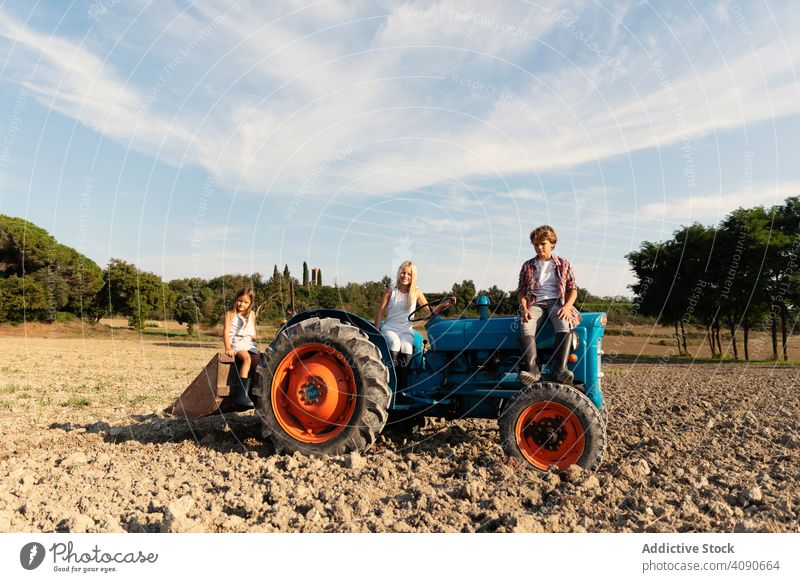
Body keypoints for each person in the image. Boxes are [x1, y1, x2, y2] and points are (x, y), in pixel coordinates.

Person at [374, 261, 455, 391]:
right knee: (395, 343)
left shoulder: (416, 292)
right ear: (399, 273)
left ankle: (400, 389)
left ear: (413, 277)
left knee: (407, 348)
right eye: (403, 272)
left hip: (406, 330)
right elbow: (380, 311)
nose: (405, 276)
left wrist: (444, 304)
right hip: (390, 328)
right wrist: (376, 330)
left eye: (409, 274)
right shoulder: (391, 291)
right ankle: (388, 385)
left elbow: (429, 311)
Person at [517, 225, 581, 385]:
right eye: (536, 244)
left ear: (552, 244)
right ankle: (533, 370)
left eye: (543, 244)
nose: (539, 247)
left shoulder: (563, 264)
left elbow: (573, 290)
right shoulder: (527, 265)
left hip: (556, 302)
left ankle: (559, 370)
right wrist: (524, 308)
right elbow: (522, 292)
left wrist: (566, 307)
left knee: (563, 324)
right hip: (535, 302)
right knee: (525, 324)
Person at [223, 287, 261, 407]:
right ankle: (241, 395)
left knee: (259, 361)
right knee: (247, 359)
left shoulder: (252, 314)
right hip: (236, 341)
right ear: (236, 299)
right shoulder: (230, 313)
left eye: (246, 302)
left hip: (248, 342)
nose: (242, 304)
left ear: (250, 303)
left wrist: (253, 338)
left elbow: (253, 331)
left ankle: (255, 392)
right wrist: (228, 348)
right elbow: (226, 331)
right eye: (240, 300)